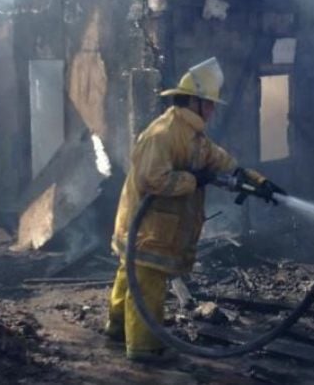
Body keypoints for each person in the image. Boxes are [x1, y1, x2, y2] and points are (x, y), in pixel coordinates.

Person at [105, 57, 284, 362]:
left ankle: (117, 329)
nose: (213, 110)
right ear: (194, 102)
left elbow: (220, 161)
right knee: (147, 286)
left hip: (155, 230)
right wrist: (193, 180)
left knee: (130, 276)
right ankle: (145, 350)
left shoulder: (192, 136)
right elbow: (152, 180)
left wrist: (256, 181)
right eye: (210, 104)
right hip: (148, 229)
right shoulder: (163, 134)